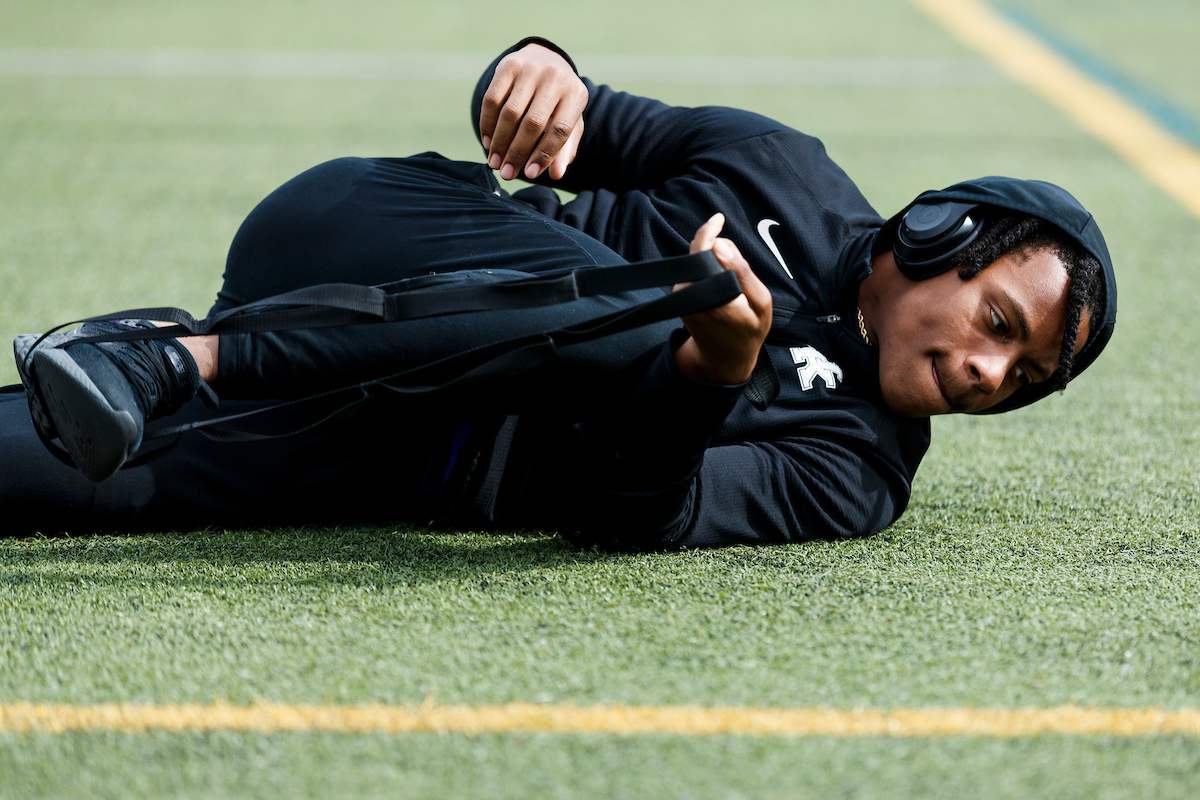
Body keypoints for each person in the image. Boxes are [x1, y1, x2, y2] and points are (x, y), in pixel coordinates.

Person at [1, 38, 1116, 549]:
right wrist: (532, 71)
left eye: (1018, 380)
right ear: (937, 235)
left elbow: (637, 516)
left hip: (367, 452)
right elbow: (577, 113)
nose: (983, 373)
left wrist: (706, 376)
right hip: (369, 236)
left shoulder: (859, 470)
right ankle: (182, 357)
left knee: (32, 465)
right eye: (999, 325)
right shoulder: (786, 167)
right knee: (648, 299)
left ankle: (153, 360)